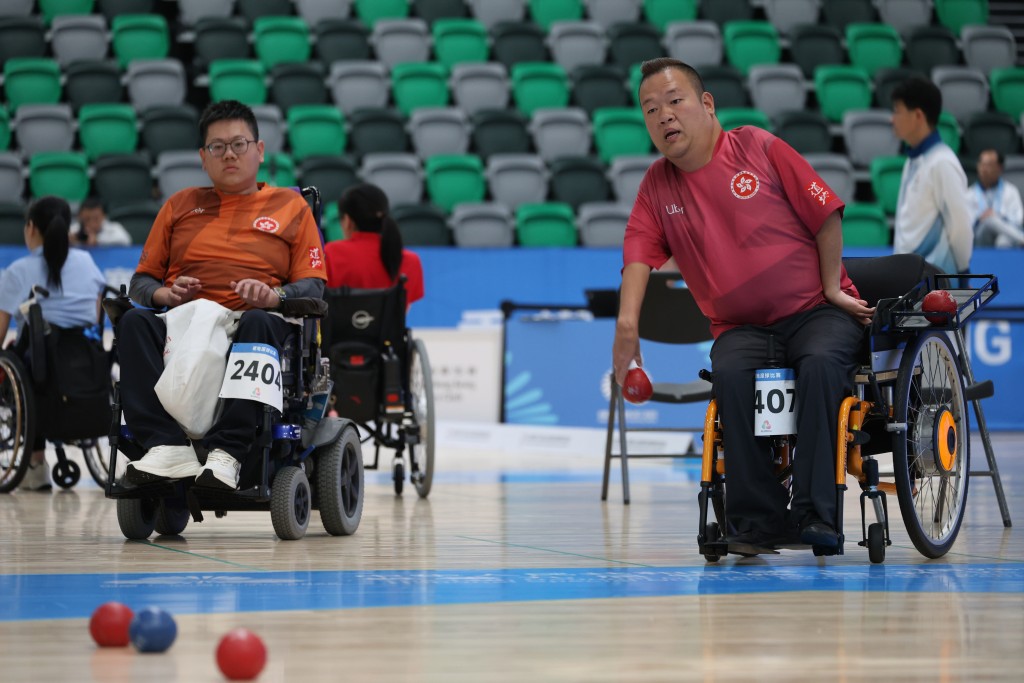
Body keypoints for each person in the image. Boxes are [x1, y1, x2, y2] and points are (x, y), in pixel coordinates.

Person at [612, 58, 873, 553]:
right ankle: (755, 522)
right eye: (651, 110)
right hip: (741, 328)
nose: (664, 116)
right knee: (730, 375)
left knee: (819, 366)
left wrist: (834, 290)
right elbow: (637, 256)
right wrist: (627, 326)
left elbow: (826, 212)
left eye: (674, 101)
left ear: (707, 104)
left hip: (816, 311)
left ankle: (818, 516)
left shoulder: (756, 146)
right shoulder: (656, 186)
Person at [119, 100, 327, 491]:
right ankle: (165, 446)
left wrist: (274, 296)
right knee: (133, 321)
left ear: (260, 150)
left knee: (258, 320)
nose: (228, 153)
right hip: (185, 321)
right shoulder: (179, 206)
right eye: (217, 147)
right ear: (203, 156)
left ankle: (228, 453)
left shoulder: (291, 207)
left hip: (253, 322)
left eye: (239, 144)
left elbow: (313, 286)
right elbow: (141, 282)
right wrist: (165, 293)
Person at [0, 196, 106, 491]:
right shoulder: (86, 260)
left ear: (31, 228)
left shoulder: (19, 270)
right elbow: (97, 309)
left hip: (40, 365)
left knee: (13, 356)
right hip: (87, 357)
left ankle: (35, 462)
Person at [890, 78, 973, 274]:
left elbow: (960, 227)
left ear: (918, 115)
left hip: (934, 282)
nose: (891, 119)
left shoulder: (943, 163)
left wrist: (963, 272)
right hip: (909, 279)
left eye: (897, 111)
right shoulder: (912, 160)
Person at [324, 183, 424, 305]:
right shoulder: (411, 261)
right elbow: (400, 316)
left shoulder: (330, 253)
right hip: (390, 325)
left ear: (347, 221)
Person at [967, 149, 1024, 248]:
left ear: (999, 168)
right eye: (981, 164)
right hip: (979, 238)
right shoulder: (969, 194)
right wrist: (979, 219)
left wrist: (998, 217)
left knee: (1003, 241)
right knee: (989, 220)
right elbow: (965, 224)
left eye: (988, 165)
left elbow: (1018, 220)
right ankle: (1021, 238)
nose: (984, 169)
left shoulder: (1010, 191)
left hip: (1007, 235)